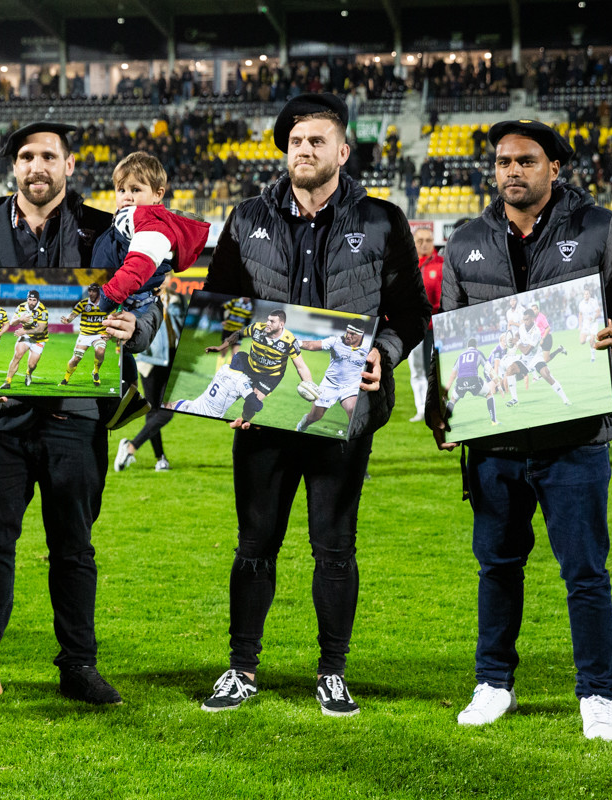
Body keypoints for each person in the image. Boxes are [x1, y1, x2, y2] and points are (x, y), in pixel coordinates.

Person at [0, 121, 161, 712]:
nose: (36, 165)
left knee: (74, 548)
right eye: (25, 156)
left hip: (76, 415)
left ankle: (79, 667)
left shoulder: (108, 233)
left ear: (70, 166)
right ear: (13, 167)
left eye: (49, 155)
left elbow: (147, 310)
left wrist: (135, 328)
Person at [427, 118, 612, 741]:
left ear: (554, 168)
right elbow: (449, 336)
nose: (512, 171)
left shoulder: (599, 228)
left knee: (585, 571)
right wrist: (443, 408)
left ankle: (597, 695)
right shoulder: (466, 238)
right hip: (496, 440)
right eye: (503, 161)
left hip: (576, 436)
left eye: (526, 160)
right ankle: (492, 682)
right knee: (497, 566)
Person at [200, 93, 429, 716]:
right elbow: (221, 311)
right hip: (262, 411)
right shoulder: (246, 217)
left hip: (346, 411)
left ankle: (332, 671)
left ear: (343, 150)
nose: (306, 149)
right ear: (286, 150)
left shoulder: (382, 220)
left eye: (318, 140)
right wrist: (228, 386)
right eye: (297, 141)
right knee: (255, 543)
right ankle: (241, 668)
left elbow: (412, 311)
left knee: (334, 546)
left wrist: (383, 349)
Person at [90, 151, 209, 315]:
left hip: (128, 302)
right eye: (121, 190)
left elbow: (136, 268)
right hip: (118, 295)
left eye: (135, 189)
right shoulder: (129, 218)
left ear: (157, 194)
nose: (127, 197)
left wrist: (106, 298)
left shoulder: (155, 227)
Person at [115, 281, 184, 472]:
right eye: (164, 276)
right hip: (150, 361)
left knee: (166, 410)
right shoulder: (144, 299)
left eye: (169, 275)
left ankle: (131, 447)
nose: (167, 280)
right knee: (155, 412)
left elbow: (182, 328)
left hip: (171, 361)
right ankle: (160, 458)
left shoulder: (177, 299)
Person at [204, 309, 315, 410]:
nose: (267, 323)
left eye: (272, 321)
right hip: (250, 366)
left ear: (281, 324)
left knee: (250, 406)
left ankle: (244, 422)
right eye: (268, 320)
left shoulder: (289, 341)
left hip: (270, 376)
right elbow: (238, 334)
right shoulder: (257, 328)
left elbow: (301, 367)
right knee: (231, 380)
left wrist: (310, 386)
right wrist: (220, 347)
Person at [295, 321, 370, 432]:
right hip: (329, 385)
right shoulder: (335, 341)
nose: (348, 336)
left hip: (350, 386)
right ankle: (302, 425)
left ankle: (351, 440)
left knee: (354, 410)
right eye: (347, 332)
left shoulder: (368, 347)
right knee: (314, 417)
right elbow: (311, 346)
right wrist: (297, 343)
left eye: (352, 334)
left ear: (361, 334)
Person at [408, 227, 442, 421]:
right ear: (413, 242)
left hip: (435, 326)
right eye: (420, 240)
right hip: (414, 326)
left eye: (428, 240)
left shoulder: (442, 265)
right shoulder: (407, 265)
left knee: (434, 369)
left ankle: (434, 406)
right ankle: (421, 408)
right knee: (417, 368)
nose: (424, 244)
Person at [60, 283, 109, 386]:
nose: (91, 293)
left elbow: (115, 313)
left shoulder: (105, 304)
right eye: (89, 291)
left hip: (99, 334)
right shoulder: (83, 303)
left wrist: (110, 332)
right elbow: (73, 314)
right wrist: (67, 320)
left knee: (100, 351)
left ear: (98, 292)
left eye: (94, 291)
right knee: (76, 358)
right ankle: (66, 378)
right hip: (85, 334)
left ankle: (95, 372)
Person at [1, 289, 49, 390]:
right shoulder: (21, 307)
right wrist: (19, 319)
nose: (31, 302)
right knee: (17, 356)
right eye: (30, 299)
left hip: (39, 339)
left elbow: (40, 329)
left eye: (34, 300)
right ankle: (7, 381)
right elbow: (12, 322)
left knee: (32, 365)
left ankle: (29, 373)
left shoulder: (42, 310)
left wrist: (25, 331)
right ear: (27, 299)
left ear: (37, 300)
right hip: (26, 336)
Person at [444, 338, 499, 424]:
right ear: (476, 346)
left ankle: (444, 421)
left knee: (453, 400)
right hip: (473, 380)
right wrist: (497, 383)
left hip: (461, 382)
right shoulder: (478, 353)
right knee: (489, 394)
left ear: (467, 346)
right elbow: (490, 370)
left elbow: (452, 376)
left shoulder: (460, 355)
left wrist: (445, 392)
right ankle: (494, 421)